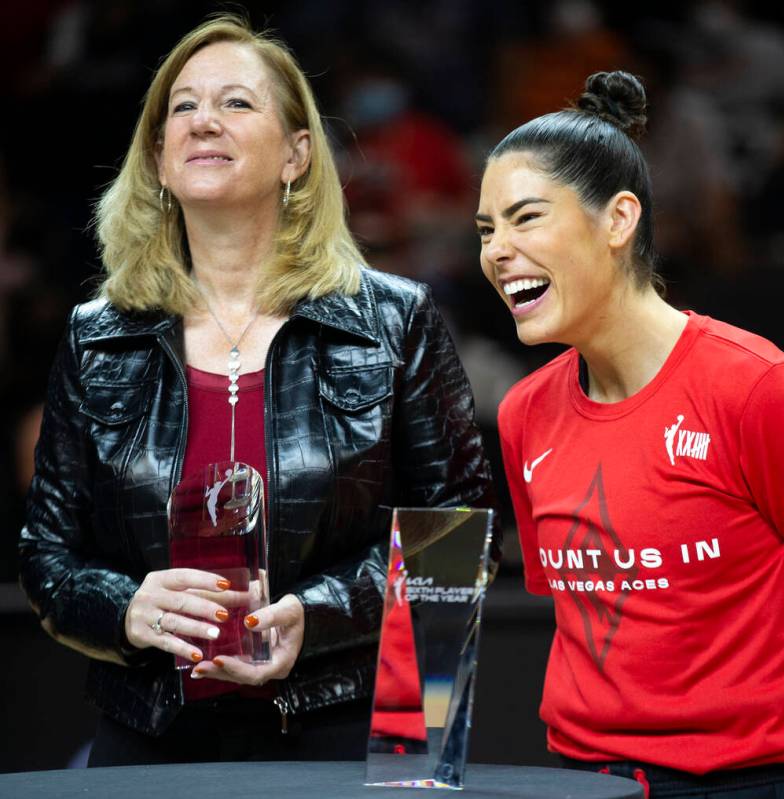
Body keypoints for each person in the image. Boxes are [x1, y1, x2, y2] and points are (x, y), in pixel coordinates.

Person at [19, 15, 495, 766]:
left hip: (349, 726)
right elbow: (46, 555)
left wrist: (319, 613)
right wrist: (127, 607)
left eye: (236, 103)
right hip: (151, 731)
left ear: (297, 155)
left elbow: (460, 535)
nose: (204, 120)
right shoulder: (95, 334)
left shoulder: (394, 320)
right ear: (159, 158)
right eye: (182, 107)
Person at [474, 70, 784, 799]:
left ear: (618, 220)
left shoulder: (760, 391)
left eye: (525, 218)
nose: (497, 250)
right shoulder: (523, 413)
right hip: (580, 782)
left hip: (755, 785)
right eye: (486, 230)